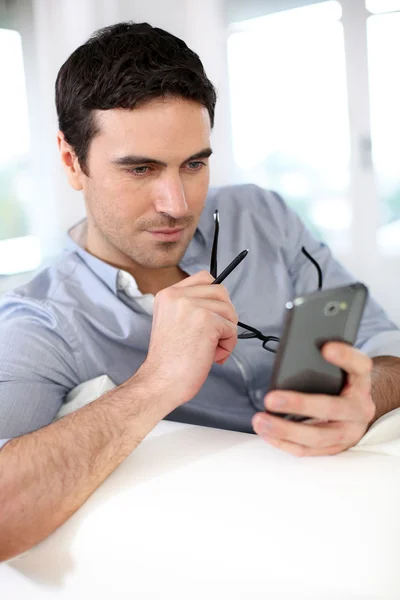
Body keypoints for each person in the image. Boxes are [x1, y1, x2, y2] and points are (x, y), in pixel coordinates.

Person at [1, 21, 400, 562]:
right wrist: (156, 382)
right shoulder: (40, 322)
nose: (177, 204)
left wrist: (365, 393)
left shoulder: (264, 217)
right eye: (140, 169)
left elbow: (386, 345)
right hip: (246, 548)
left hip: (353, 513)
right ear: (73, 162)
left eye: (194, 164)